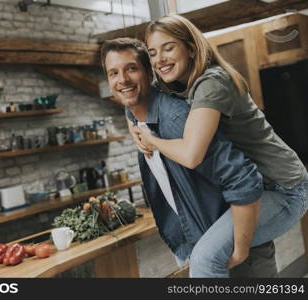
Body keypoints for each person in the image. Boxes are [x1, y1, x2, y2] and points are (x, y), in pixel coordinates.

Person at [132, 15, 308, 277]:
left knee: (204, 260)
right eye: (153, 53)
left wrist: (151, 140)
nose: (159, 60)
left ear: (191, 48)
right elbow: (134, 94)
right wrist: (133, 128)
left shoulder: (212, 83)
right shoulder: (177, 84)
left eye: (168, 48)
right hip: (262, 187)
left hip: (286, 189)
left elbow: (192, 154)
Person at [101, 37, 277, 278]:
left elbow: (243, 178)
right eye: (113, 73)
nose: (122, 79)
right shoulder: (139, 116)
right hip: (206, 242)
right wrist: (131, 123)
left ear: (150, 73)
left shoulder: (175, 118)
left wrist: (241, 249)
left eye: (131, 68)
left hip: (237, 250)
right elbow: (129, 101)